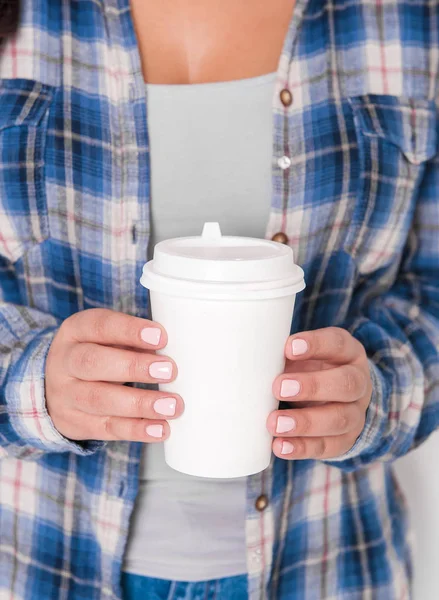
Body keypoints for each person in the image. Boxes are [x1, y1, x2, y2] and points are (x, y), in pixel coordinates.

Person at [0, 0, 438, 598]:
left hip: (327, 563)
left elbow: (433, 287)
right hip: (42, 560)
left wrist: (377, 394)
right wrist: (29, 383)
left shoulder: (413, 21)